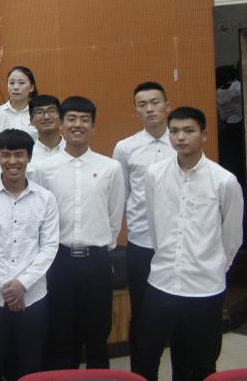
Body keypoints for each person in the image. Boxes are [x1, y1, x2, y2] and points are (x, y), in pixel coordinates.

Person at [134, 106, 244, 381]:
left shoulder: (224, 181)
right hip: (162, 281)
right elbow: (154, 222)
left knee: (200, 362)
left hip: (204, 286)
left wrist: (215, 266)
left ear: (203, 134)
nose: (180, 137)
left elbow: (232, 237)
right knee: (146, 356)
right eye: (174, 131)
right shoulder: (155, 174)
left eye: (188, 131)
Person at [32, 96, 124, 370]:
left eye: (85, 120)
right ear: (61, 124)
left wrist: (102, 246)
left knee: (97, 335)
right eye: (71, 119)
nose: (78, 125)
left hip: (97, 262)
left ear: (93, 126)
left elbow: (114, 216)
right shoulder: (44, 169)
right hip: (59, 261)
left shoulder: (110, 167)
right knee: (62, 336)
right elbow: (40, 216)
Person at [0, 129, 59, 380]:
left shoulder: (46, 198)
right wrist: (7, 287)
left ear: (29, 157)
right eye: (6, 155)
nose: (12, 161)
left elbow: (49, 246)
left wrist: (22, 284)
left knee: (30, 366)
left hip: (34, 295)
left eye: (19, 155)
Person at [113, 81, 175, 371]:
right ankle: (142, 374)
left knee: (180, 312)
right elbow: (120, 196)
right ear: (136, 111)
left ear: (167, 106)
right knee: (143, 313)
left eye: (155, 102)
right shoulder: (125, 148)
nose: (149, 109)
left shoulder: (182, 142)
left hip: (178, 245)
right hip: (142, 245)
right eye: (142, 104)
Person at [0, 66, 38, 138]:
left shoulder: (39, 113)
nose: (15, 87)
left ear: (31, 87)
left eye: (21, 83)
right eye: (11, 83)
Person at [28, 94, 65, 174]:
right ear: (31, 121)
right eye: (39, 112)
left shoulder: (75, 151)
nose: (46, 117)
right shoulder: (27, 155)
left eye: (51, 111)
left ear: (61, 117)